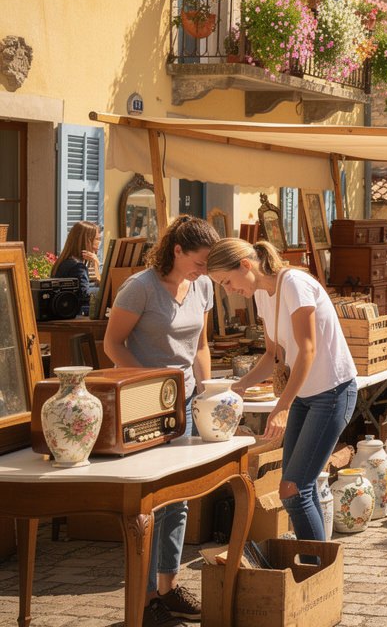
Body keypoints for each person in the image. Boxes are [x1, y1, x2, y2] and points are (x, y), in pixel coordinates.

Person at [208, 238, 357, 559]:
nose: (228, 290)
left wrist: (282, 407)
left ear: (245, 266)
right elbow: (274, 354)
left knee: (292, 490)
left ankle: (315, 570)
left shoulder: (294, 283)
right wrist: (241, 385)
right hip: (305, 396)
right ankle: (316, 572)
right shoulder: (262, 293)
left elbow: (307, 349)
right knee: (297, 490)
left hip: (332, 393)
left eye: (227, 282)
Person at [104, 215, 219, 625]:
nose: (205, 271)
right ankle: (146, 595)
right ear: (177, 250)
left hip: (186, 403)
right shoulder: (140, 287)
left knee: (180, 500)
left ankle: (169, 589)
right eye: (200, 262)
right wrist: (150, 386)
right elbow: (112, 343)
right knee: (152, 502)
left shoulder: (202, 286)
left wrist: (207, 391)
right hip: (145, 406)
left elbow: (201, 345)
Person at [51, 220, 102, 309]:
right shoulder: (78, 267)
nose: (99, 243)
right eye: (97, 239)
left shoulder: (62, 262)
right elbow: (85, 296)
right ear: (87, 241)